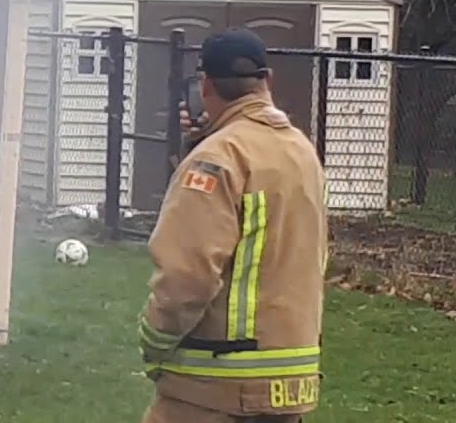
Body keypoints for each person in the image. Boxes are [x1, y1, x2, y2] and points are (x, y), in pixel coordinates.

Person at [138, 28, 328, 423]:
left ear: (205, 86)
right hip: (288, 387)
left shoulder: (218, 157)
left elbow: (186, 275)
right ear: (267, 81)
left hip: (212, 390)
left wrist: (154, 339)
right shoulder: (302, 152)